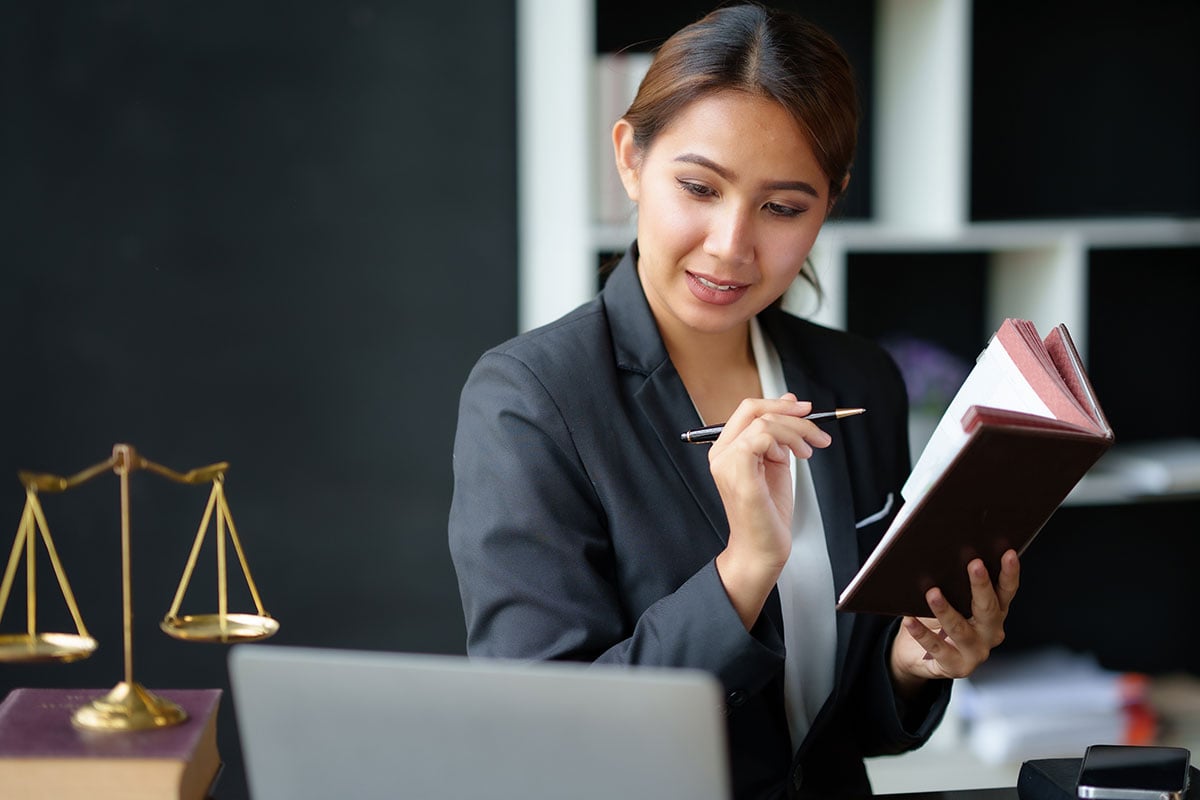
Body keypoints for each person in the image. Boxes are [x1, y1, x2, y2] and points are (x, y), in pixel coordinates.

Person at [448, 4, 1020, 798]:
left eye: (783, 208)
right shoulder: (531, 401)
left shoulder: (858, 383)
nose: (730, 244)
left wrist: (910, 661)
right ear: (628, 158)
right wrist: (744, 569)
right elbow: (550, 736)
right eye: (698, 187)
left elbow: (840, 726)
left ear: (830, 202)